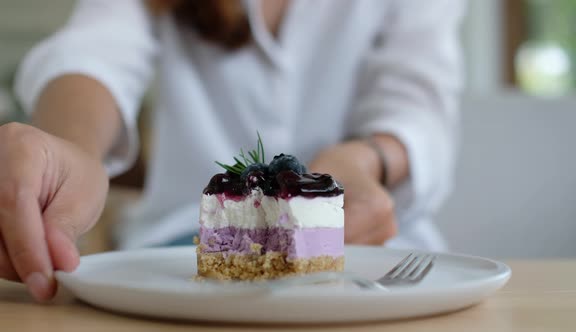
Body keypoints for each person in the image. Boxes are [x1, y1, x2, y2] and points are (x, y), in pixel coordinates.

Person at [0, 0, 464, 301]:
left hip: (376, 259)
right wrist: (74, 148)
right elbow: (93, 52)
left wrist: (365, 161)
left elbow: (418, 104)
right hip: (183, 253)